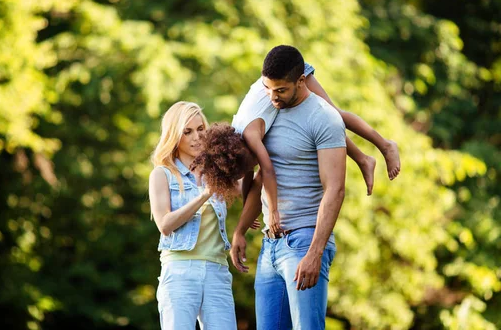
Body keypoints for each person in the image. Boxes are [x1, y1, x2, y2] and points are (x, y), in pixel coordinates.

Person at [231, 45, 349, 330]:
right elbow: (261, 178)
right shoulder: (268, 113)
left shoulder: (323, 118)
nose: (273, 96)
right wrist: (240, 229)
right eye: (269, 88)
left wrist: (315, 253)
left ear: (301, 81)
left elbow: (335, 189)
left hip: (304, 241)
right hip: (271, 246)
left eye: (281, 90)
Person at [232, 60, 400, 235]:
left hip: (289, 71)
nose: (250, 169)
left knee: (334, 114)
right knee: (330, 120)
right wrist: (246, 206)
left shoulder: (250, 137)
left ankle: (385, 145)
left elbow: (267, 171)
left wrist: (273, 210)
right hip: (275, 81)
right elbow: (248, 177)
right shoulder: (235, 142)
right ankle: (363, 159)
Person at [149, 101, 255, 330]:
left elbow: (251, 185)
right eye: (187, 132)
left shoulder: (218, 171)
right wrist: (204, 195)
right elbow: (165, 225)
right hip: (179, 271)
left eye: (200, 129)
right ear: (174, 135)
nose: (196, 137)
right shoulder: (163, 174)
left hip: (216, 270)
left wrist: (249, 213)